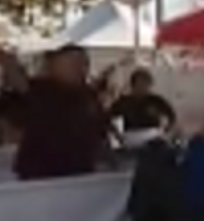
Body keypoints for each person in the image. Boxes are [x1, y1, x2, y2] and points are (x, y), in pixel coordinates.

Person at [12, 46, 110, 181]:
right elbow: (20, 82)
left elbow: (101, 131)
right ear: (54, 66)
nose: (80, 68)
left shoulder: (89, 96)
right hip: (42, 174)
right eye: (73, 63)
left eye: (83, 63)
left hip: (80, 171)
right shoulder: (43, 89)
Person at [108, 68, 177, 134]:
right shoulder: (123, 102)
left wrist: (166, 129)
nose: (143, 87)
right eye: (140, 84)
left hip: (152, 134)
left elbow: (171, 116)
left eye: (146, 84)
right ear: (133, 85)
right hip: (130, 135)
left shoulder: (156, 100)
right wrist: (118, 135)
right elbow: (110, 119)